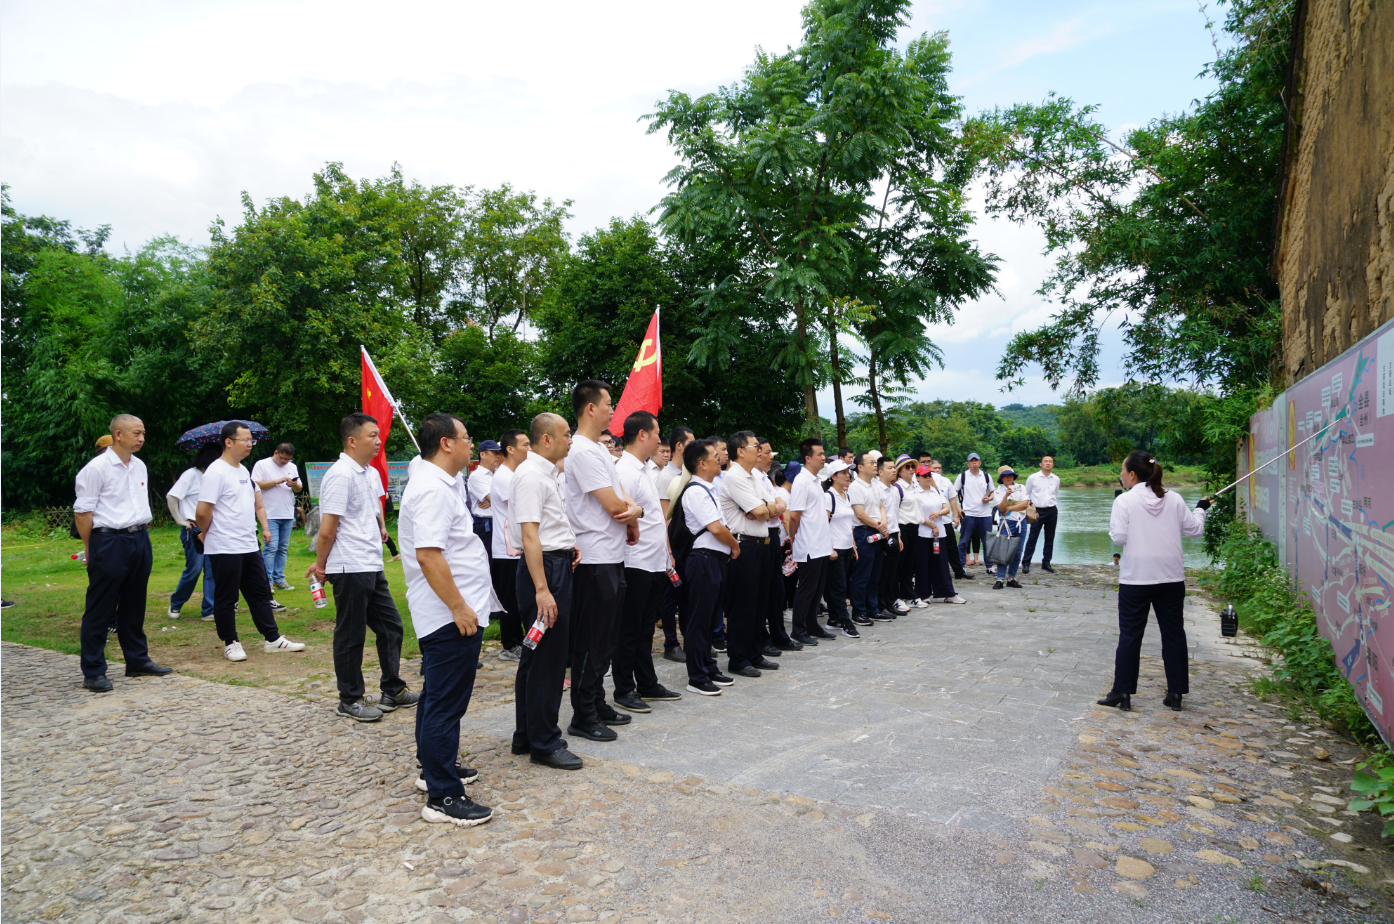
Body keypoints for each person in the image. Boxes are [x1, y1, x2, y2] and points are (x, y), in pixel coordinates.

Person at [398, 413, 495, 825]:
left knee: (438, 696)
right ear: (446, 444)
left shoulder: (441, 483)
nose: (471, 444)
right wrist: (458, 606)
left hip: (451, 611)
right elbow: (428, 554)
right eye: (466, 437)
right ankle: (443, 796)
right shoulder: (432, 489)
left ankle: (434, 768)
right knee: (445, 703)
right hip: (447, 614)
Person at [308, 412, 417, 722]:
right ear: (352, 440)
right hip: (349, 565)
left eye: (378, 435)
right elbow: (327, 530)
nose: (379, 441)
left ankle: (392, 690)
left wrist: (380, 526)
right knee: (351, 634)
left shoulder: (368, 472)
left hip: (370, 562)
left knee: (391, 627)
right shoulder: (340, 475)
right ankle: (350, 699)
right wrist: (321, 566)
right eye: (372, 436)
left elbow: (372, 508)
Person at [1097, 452, 1210, 712]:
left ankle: (1122, 691)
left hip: (1137, 577)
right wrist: (1201, 509)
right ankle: (1176, 692)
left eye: (1122, 470)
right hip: (1171, 576)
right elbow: (1195, 530)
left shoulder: (1124, 500)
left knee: (1130, 635)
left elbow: (1119, 538)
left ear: (1132, 474)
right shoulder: (1175, 498)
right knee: (1174, 634)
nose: (1121, 475)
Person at [564, 380, 641, 742]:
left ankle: (596, 700)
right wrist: (634, 512)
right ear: (591, 407)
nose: (613, 409)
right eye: (608, 403)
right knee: (591, 639)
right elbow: (614, 505)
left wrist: (634, 512)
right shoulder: (581, 450)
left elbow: (622, 496)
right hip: (593, 557)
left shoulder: (598, 449)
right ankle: (583, 714)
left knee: (606, 638)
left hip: (611, 554)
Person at [73, 414, 171, 692]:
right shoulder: (96, 468)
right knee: (100, 606)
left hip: (139, 536)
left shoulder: (139, 465)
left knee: (134, 603)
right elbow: (82, 513)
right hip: (109, 540)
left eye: (143, 433)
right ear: (118, 434)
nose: (141, 438)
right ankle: (93, 670)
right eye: (136, 433)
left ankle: (137, 660)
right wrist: (90, 547)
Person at [510, 412, 585, 770]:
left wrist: (568, 545)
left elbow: (547, 527)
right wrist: (542, 588)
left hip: (554, 564)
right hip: (545, 572)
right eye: (566, 434)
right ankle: (544, 741)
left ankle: (527, 734)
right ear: (546, 439)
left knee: (536, 654)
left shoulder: (547, 473)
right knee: (549, 660)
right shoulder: (531, 475)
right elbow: (529, 536)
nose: (571, 440)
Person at [197, 422, 306, 662]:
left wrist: (262, 529)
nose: (249, 444)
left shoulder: (243, 470)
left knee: (260, 593)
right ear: (228, 442)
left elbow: (256, 504)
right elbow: (203, 512)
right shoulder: (216, 471)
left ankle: (273, 639)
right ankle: (230, 642)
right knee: (227, 598)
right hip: (224, 546)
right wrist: (205, 533)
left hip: (249, 544)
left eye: (251, 440)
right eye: (245, 440)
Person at [610, 411, 684, 713]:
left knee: (644, 629)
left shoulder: (642, 470)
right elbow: (622, 515)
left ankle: (647, 682)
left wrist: (665, 556)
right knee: (629, 630)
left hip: (652, 561)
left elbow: (654, 520)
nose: (659, 439)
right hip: (635, 561)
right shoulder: (626, 471)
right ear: (642, 435)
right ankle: (623, 689)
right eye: (656, 433)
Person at [673, 438, 739, 695]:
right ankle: (697, 676)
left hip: (715, 561)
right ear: (702, 464)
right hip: (703, 560)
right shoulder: (695, 491)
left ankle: (708, 667)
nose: (720, 460)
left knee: (711, 617)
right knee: (699, 619)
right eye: (715, 458)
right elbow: (716, 528)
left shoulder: (708, 489)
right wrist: (735, 545)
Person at [717, 431, 782, 678]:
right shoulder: (734, 477)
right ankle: (738, 657)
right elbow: (762, 510)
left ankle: (754, 652)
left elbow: (773, 506)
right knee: (743, 604)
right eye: (755, 446)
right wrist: (762, 508)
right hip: (743, 545)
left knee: (759, 603)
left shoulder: (754, 475)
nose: (760, 450)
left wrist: (761, 508)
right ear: (740, 451)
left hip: (762, 543)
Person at [166, 443, 223, 620]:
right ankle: (176, 603)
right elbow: (171, 496)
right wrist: (180, 520)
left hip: (213, 528)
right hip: (193, 528)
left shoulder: (216, 476)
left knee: (212, 569)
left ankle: (209, 609)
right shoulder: (191, 475)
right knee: (194, 569)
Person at [787, 439, 834, 646]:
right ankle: (798, 630)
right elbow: (794, 515)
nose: (823, 457)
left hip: (821, 543)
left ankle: (812, 625)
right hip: (808, 544)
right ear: (808, 458)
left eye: (824, 454)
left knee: (817, 589)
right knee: (806, 589)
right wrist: (792, 535)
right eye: (819, 454)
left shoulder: (816, 481)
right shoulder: (801, 481)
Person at [490, 429, 530, 661]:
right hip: (506, 549)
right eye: (525, 445)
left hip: (518, 545)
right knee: (510, 599)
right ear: (510, 449)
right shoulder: (504, 476)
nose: (529, 449)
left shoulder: (516, 474)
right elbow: (522, 506)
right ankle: (509, 644)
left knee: (520, 598)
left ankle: (519, 640)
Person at [755, 437, 793, 653]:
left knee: (776, 590)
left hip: (773, 535)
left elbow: (779, 505)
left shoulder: (765, 478)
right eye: (768, 452)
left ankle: (779, 634)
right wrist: (774, 507)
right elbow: (764, 510)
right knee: (763, 591)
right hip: (760, 536)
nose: (771, 457)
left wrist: (774, 507)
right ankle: (762, 637)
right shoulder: (751, 477)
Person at [251, 442, 302, 593]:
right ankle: (266, 580)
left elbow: (299, 487)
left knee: (283, 548)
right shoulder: (262, 464)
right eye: (283, 458)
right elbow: (254, 485)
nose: (285, 462)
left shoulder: (292, 467)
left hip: (287, 512)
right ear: (276, 453)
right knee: (271, 547)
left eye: (288, 459)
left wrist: (293, 485)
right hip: (269, 513)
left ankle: (279, 578)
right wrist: (276, 481)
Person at [848, 452, 891, 622]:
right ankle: (858, 611)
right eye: (871, 463)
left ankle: (873, 609)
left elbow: (881, 507)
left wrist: (884, 524)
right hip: (864, 532)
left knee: (875, 574)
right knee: (862, 574)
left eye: (875, 462)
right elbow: (860, 514)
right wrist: (879, 526)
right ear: (860, 467)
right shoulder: (855, 486)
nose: (875, 465)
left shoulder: (874, 484)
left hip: (877, 531)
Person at [914, 466, 966, 604]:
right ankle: (923, 594)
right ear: (917, 477)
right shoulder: (915, 493)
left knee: (941, 564)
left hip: (939, 534)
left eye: (929, 475)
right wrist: (932, 525)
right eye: (924, 475)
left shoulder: (936, 490)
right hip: (923, 533)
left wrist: (938, 513)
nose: (927, 478)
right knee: (923, 564)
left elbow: (946, 508)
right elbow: (917, 515)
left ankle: (948, 592)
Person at [822, 460, 862, 636]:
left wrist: (853, 544)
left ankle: (833, 619)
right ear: (833, 476)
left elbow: (849, 525)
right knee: (839, 587)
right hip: (835, 548)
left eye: (848, 472)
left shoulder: (846, 495)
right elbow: (823, 524)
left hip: (846, 547)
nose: (848, 476)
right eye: (843, 473)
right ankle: (846, 622)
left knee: (839, 584)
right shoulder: (828, 497)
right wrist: (830, 548)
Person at [875, 457, 909, 616]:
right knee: (882, 573)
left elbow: (895, 514)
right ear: (880, 471)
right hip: (883, 534)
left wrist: (899, 536)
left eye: (894, 467)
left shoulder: (894, 490)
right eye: (889, 468)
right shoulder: (877, 489)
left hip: (895, 532)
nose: (894, 470)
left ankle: (889, 603)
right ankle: (880, 605)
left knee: (892, 573)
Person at [989, 466, 1030, 589]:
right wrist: (1006, 496)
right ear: (1001, 478)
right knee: (1003, 551)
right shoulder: (998, 491)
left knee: (1018, 552)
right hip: (1006, 522)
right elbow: (1001, 508)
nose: (1008, 478)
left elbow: (1025, 504)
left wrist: (1009, 508)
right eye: (1005, 476)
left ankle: (1011, 578)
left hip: (1021, 522)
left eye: (1010, 475)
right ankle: (1000, 579)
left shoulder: (1021, 487)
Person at [931, 459, 972, 581]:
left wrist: (955, 516)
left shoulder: (946, 481)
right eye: (935, 468)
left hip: (945, 520)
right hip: (931, 521)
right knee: (934, 548)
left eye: (939, 468)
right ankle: (935, 572)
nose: (937, 470)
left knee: (952, 546)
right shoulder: (925, 481)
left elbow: (952, 499)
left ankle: (958, 571)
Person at [893, 455, 925, 607]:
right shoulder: (897, 488)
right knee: (899, 564)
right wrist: (897, 534)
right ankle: (896, 596)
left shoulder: (913, 486)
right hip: (902, 528)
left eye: (913, 466)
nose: (911, 469)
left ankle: (908, 594)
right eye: (907, 467)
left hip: (914, 528)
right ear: (899, 471)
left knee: (908, 564)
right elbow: (894, 512)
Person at [953, 453, 994, 570]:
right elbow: (953, 494)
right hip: (968, 513)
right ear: (968, 463)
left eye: (976, 460)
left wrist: (989, 498)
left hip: (985, 514)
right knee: (963, 541)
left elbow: (992, 491)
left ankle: (989, 567)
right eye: (972, 461)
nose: (974, 462)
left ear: (980, 462)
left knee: (987, 541)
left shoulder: (986, 476)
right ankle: (961, 566)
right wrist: (957, 509)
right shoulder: (962, 476)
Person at [1022, 455, 1060, 574]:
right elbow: (1027, 494)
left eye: (1050, 461)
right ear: (1041, 464)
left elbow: (1055, 493)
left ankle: (1046, 562)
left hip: (1052, 510)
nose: (1048, 463)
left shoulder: (1056, 479)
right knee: (1033, 537)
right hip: (1037, 510)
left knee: (1050, 537)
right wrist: (1030, 509)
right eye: (1045, 461)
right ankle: (1026, 563)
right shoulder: (1033, 478)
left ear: (1053, 464)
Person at [469, 439, 504, 563]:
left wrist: (492, 501)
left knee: (501, 564)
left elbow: (507, 497)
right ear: (482, 454)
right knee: (488, 563)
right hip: (485, 527)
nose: (498, 456)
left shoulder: (500, 473)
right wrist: (494, 499)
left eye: (499, 453)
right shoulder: (476, 476)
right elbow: (503, 499)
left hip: (500, 523)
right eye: (494, 453)